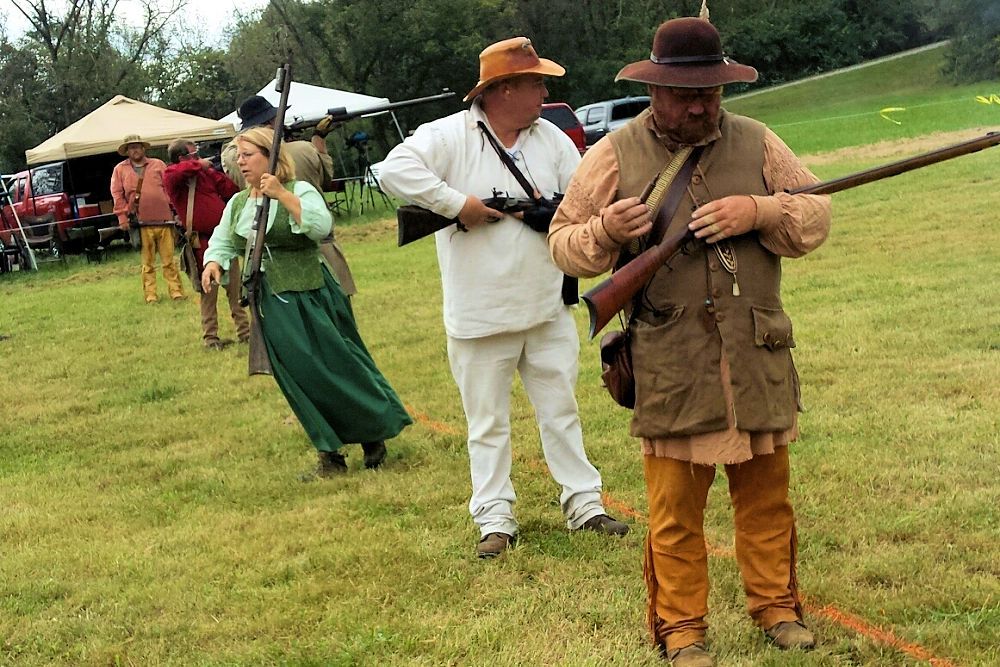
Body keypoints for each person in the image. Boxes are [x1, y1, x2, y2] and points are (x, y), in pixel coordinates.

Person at [547, 14, 831, 667]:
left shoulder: (758, 141)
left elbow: (814, 214)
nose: (701, 104)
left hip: (754, 352)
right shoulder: (613, 154)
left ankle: (777, 607)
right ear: (655, 91)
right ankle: (681, 629)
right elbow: (564, 243)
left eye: (711, 92)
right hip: (671, 358)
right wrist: (609, 231)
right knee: (674, 511)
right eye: (687, 94)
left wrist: (758, 211)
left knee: (766, 495)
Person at [378, 37, 629, 560]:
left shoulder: (553, 140)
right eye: (535, 82)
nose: (543, 91)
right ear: (503, 89)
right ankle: (495, 518)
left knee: (561, 411)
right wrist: (458, 204)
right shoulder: (448, 135)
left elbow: (577, 200)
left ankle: (585, 504)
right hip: (479, 314)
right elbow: (393, 171)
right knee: (487, 424)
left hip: (546, 306)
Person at [202, 127, 411, 477]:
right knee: (297, 377)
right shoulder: (238, 203)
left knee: (338, 366)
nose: (240, 161)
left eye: (248, 154)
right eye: (238, 156)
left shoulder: (300, 191)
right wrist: (213, 263)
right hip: (269, 301)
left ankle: (372, 433)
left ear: (270, 157)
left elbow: (319, 226)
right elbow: (223, 239)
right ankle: (330, 454)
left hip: (311, 294)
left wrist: (282, 194)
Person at [222, 96, 358, 298]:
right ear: (272, 122)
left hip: (266, 260)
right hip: (316, 249)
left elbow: (230, 155)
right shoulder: (304, 149)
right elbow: (327, 177)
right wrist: (319, 137)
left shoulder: (234, 159)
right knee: (334, 309)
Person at [162, 138, 250, 350]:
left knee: (235, 289)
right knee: (208, 293)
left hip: (224, 238)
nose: (198, 158)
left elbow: (230, 189)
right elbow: (176, 172)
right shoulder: (174, 175)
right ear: (182, 158)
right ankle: (211, 338)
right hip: (200, 242)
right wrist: (200, 165)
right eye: (193, 155)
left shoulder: (203, 174)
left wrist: (212, 170)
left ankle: (245, 332)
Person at [110, 134, 185, 303]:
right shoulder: (119, 170)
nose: (135, 150)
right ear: (127, 151)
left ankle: (176, 291)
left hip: (165, 220)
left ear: (144, 148)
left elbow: (170, 190)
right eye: (131, 147)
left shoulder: (158, 164)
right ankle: (151, 294)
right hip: (141, 222)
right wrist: (122, 217)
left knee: (169, 260)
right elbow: (117, 194)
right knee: (148, 263)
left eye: (137, 146)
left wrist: (177, 212)